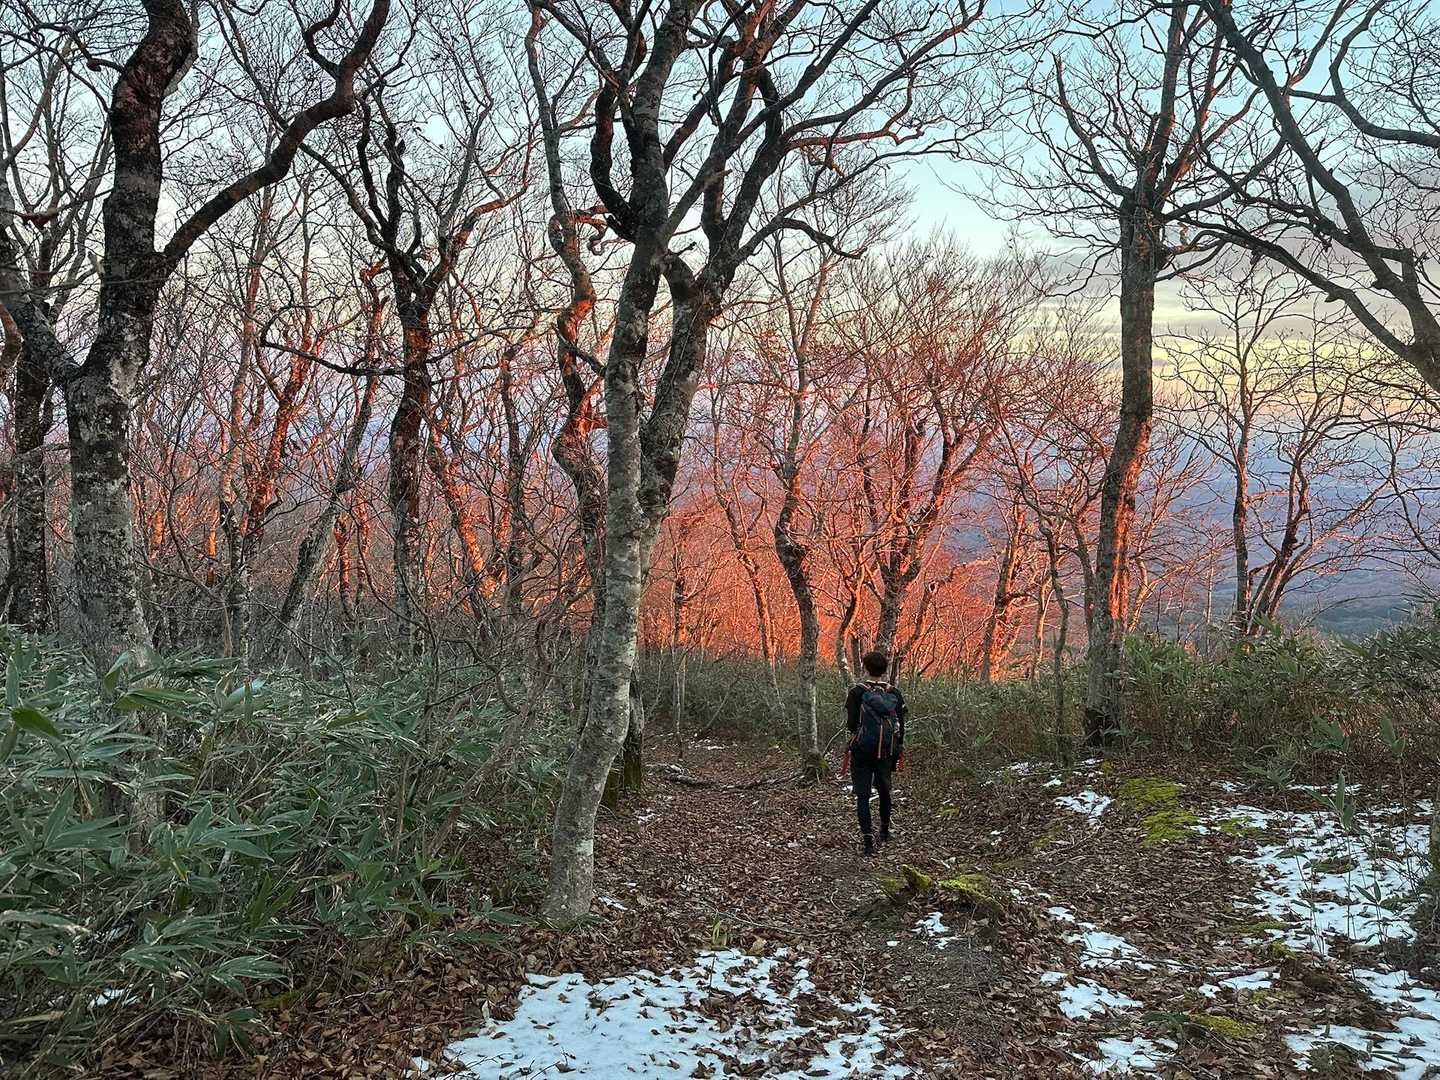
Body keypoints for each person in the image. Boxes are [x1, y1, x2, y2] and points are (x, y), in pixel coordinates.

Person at [845, 650, 907, 856]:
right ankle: (885, 831)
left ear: (865, 667)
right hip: (886, 750)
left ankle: (868, 842)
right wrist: (897, 748)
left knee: (863, 795)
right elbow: (901, 726)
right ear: (885, 669)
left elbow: (851, 724)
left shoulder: (857, 692)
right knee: (884, 791)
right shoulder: (894, 693)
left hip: (862, 750)